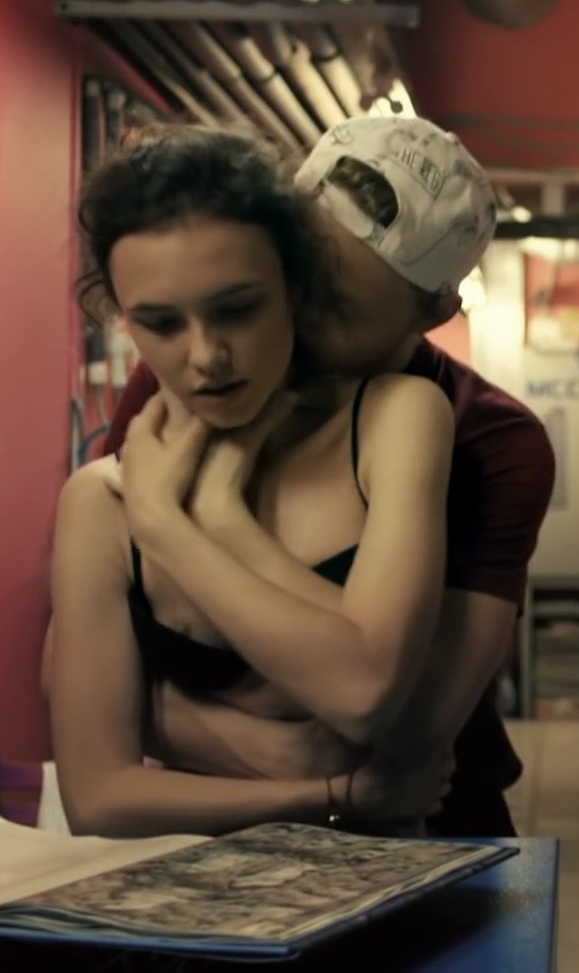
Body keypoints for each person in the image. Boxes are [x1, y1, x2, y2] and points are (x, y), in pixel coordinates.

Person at [69, 114, 552, 839]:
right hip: (232, 828)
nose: (293, 320)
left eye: (331, 304)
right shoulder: (204, 372)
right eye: (286, 277)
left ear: (433, 310)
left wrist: (207, 518)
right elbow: (72, 676)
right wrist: (282, 760)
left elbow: (395, 724)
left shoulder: (486, 438)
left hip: (430, 815)